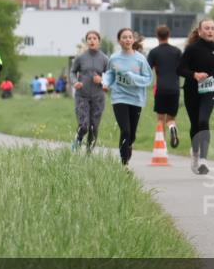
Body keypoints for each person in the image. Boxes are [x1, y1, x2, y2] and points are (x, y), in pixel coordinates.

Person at [179, 18, 214, 174]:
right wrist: (194, 75)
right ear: (199, 31)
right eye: (207, 28)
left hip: (209, 90)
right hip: (191, 90)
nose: (210, 31)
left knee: (203, 120)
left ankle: (204, 160)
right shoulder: (191, 49)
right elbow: (180, 69)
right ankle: (195, 154)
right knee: (194, 124)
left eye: (213, 28)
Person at [104, 28, 153, 166]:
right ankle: (124, 164)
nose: (127, 40)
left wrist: (133, 78)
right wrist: (106, 83)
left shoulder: (140, 59)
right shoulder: (114, 58)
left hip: (136, 98)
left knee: (131, 134)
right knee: (125, 130)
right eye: (124, 37)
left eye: (130, 37)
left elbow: (148, 79)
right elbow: (110, 74)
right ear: (119, 40)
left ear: (133, 40)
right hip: (119, 97)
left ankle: (128, 147)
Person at [71, 31, 110, 153]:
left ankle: (89, 154)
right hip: (82, 96)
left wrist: (102, 81)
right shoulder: (81, 58)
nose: (92, 40)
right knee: (84, 125)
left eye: (94, 38)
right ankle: (77, 141)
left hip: (98, 98)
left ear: (99, 41)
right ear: (87, 41)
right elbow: (72, 72)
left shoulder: (104, 59)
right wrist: (75, 82)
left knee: (94, 127)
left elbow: (110, 77)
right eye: (89, 38)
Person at [147, 25, 183, 148]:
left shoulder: (154, 52)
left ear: (157, 36)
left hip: (161, 88)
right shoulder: (177, 52)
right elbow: (183, 69)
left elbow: (147, 70)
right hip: (174, 88)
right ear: (169, 35)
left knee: (160, 119)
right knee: (170, 119)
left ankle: (162, 145)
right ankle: (172, 127)